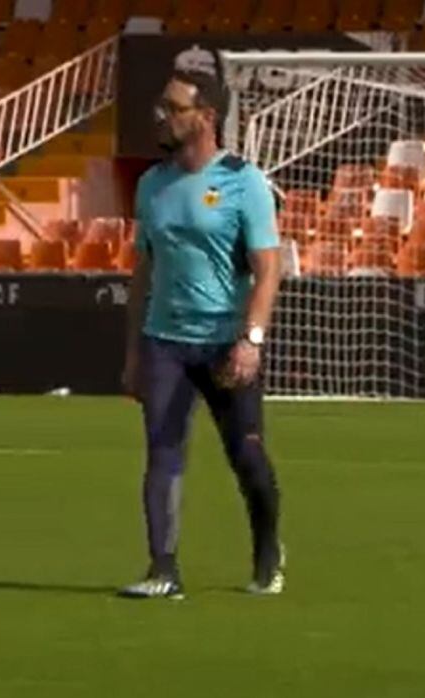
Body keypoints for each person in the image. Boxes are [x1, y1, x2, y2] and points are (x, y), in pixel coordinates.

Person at [119, 68, 284, 599]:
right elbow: (143, 271)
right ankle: (163, 569)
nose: (160, 116)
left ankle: (267, 552)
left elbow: (267, 270)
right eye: (161, 106)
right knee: (163, 452)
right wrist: (133, 351)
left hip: (225, 342)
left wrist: (250, 340)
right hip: (164, 340)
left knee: (247, 455)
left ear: (206, 117)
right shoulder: (152, 184)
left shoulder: (244, 180)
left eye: (173, 107)